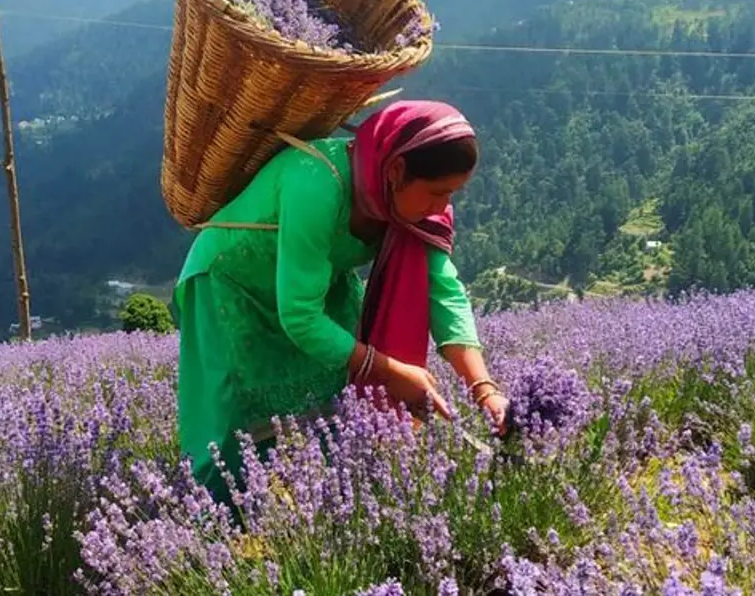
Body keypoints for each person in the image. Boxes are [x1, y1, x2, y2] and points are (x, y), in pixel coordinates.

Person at [171, 99, 508, 505]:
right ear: (397, 171)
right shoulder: (315, 181)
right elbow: (299, 316)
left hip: (312, 283)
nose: (443, 208)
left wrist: (484, 390)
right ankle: (214, 524)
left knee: (330, 403)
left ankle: (307, 508)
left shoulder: (404, 204)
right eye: (437, 192)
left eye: (453, 194)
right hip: (231, 284)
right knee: (234, 414)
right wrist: (387, 370)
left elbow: (443, 289)